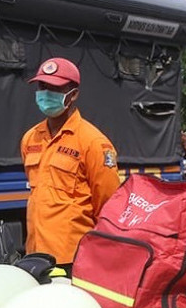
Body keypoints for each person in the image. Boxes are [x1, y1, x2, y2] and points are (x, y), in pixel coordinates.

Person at [21, 57, 120, 275]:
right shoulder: (30, 139)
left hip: (71, 257)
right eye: (42, 86)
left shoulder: (93, 142)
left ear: (73, 94)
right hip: (34, 252)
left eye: (54, 88)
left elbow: (108, 204)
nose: (46, 93)